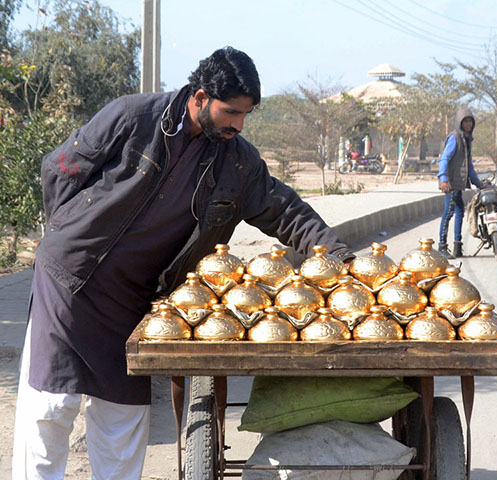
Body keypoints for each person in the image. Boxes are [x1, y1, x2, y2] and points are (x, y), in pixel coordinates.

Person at [12, 46, 355, 480]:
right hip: (70, 281)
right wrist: (68, 234)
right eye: (231, 112)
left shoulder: (238, 162)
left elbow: (286, 211)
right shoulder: (132, 117)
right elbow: (59, 168)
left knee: (122, 417)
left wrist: (339, 257)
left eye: (246, 115)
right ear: (199, 96)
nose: (239, 124)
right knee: (51, 406)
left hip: (137, 303)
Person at [437, 106, 484, 259]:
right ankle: (442, 246)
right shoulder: (455, 138)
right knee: (448, 213)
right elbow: (444, 159)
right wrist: (443, 178)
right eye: (465, 121)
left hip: (458, 184)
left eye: (470, 121)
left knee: (459, 212)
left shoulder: (466, 140)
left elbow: (469, 165)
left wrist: (479, 183)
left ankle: (458, 245)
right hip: (450, 184)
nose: (468, 124)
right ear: (459, 122)